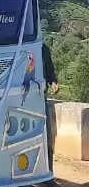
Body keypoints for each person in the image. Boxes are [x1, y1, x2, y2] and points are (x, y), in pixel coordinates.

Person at [42, 41, 59, 178]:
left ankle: (48, 174)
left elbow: (50, 71)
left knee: (47, 137)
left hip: (40, 99)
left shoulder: (43, 49)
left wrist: (53, 82)